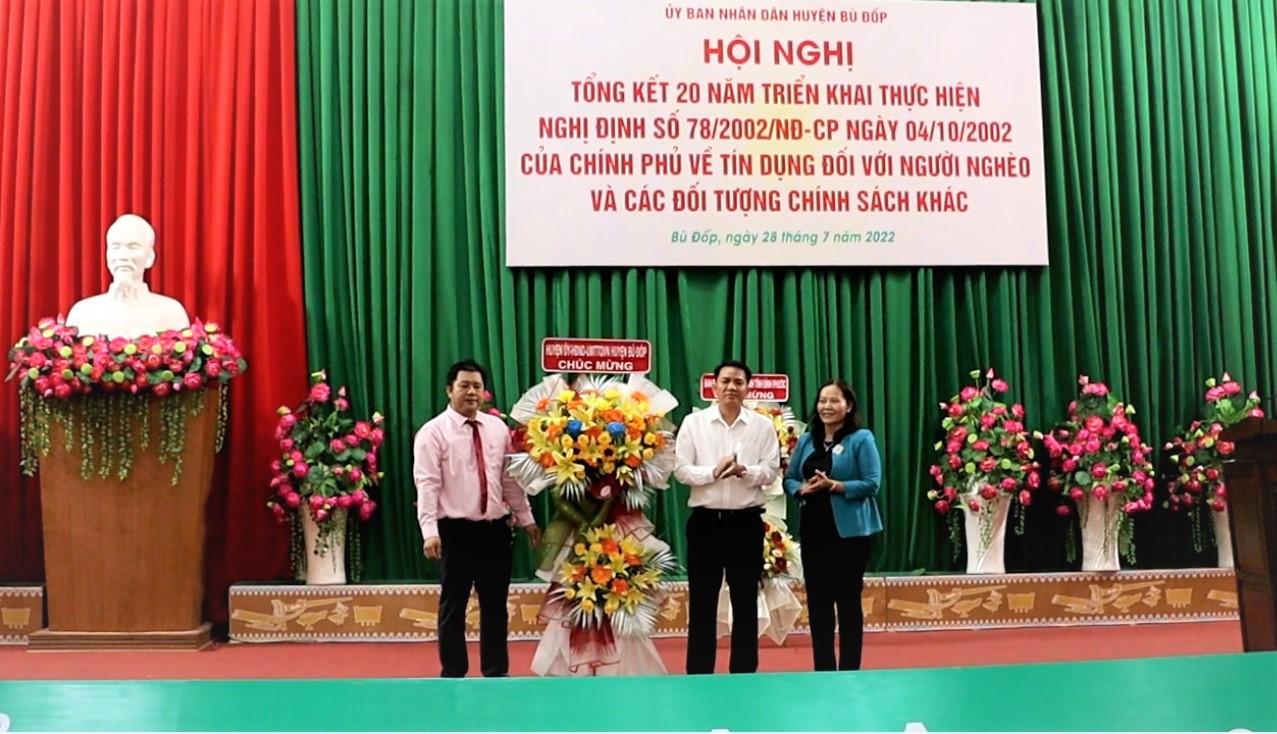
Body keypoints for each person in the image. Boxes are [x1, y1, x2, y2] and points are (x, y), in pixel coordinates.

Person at [414, 359, 542, 678]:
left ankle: (496, 671)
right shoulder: (432, 433)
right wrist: (429, 532)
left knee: (496, 606)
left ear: (484, 392)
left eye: (477, 386)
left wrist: (526, 520)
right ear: (449, 390)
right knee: (453, 605)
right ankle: (454, 671)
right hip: (454, 531)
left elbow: (510, 481)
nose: (471, 392)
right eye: (464, 386)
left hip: (494, 530)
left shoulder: (497, 429)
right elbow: (427, 484)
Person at [675, 360, 780, 674]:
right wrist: (713, 472)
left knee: (745, 602)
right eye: (725, 381)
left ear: (748, 388)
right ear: (713, 386)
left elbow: (771, 470)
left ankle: (744, 675)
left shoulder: (762, 426)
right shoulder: (694, 423)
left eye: (738, 382)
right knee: (702, 603)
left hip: (746, 524)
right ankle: (699, 675)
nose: (731, 387)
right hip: (705, 523)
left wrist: (745, 471)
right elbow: (681, 470)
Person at [783, 379, 882, 671]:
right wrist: (800, 489)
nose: (827, 406)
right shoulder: (807, 439)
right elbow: (789, 478)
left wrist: (834, 485)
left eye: (834, 400)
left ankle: (850, 670)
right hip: (814, 531)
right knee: (818, 603)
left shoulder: (861, 439)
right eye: (823, 400)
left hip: (850, 535)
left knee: (848, 603)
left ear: (848, 406)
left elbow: (872, 483)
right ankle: (823, 670)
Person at [65, 213, 191, 338]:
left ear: (149, 257)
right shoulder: (82, 313)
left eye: (133, 248)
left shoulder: (172, 313)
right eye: (116, 248)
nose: (122, 256)